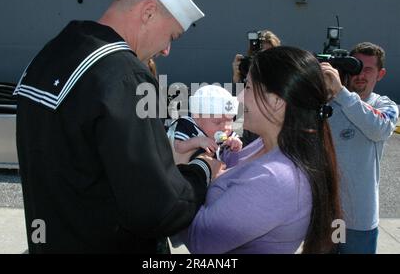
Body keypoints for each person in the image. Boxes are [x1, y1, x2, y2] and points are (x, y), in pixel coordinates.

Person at [13, 0, 223, 253]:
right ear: (148, 12)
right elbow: (158, 210)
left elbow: (83, 162)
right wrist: (202, 169)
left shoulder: (52, 53)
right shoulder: (125, 76)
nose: (166, 50)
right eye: (171, 35)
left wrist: (164, 159)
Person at [180, 46, 342, 254]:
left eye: (247, 87)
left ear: (276, 102)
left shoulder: (274, 178)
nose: (238, 99)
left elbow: (200, 240)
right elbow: (223, 161)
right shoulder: (266, 144)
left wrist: (188, 170)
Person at [321, 42, 399, 254]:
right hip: (328, 216)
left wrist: (342, 93)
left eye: (368, 69)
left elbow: (379, 128)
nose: (360, 75)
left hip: (360, 220)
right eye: (356, 67)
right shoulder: (329, 105)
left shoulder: (385, 105)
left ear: (380, 74)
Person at [167, 85, 242, 165]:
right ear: (197, 117)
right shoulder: (188, 126)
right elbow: (178, 147)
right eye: (217, 122)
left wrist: (235, 144)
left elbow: (232, 149)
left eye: (229, 121)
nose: (225, 127)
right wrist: (198, 141)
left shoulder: (226, 134)